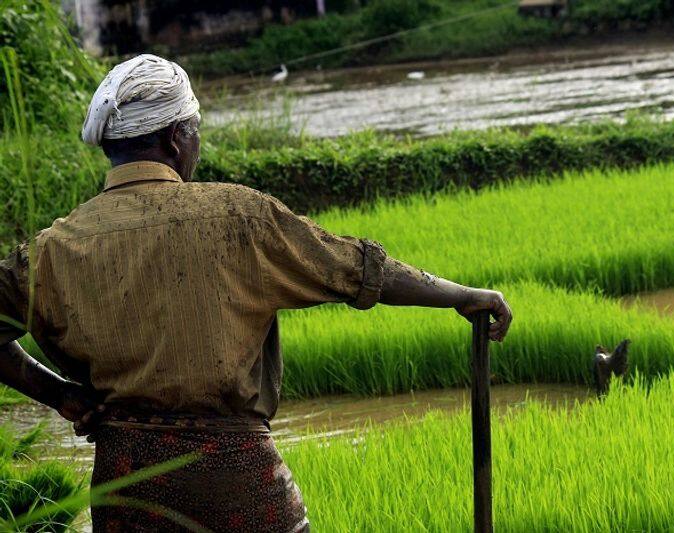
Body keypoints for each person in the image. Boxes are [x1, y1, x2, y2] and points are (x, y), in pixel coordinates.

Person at [0, 54, 512, 532]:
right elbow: (356, 268)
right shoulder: (239, 216)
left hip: (125, 484)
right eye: (195, 132)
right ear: (178, 138)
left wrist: (60, 395)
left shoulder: (55, 248)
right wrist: (462, 295)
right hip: (234, 477)